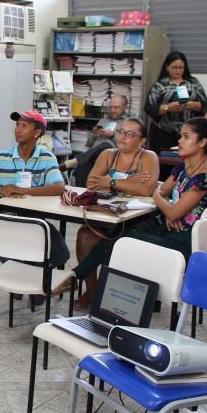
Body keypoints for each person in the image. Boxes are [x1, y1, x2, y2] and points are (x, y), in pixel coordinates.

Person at [60, 118, 207, 302]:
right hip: (166, 228)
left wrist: (164, 203)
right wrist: (162, 201)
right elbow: (162, 191)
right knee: (117, 233)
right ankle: (92, 287)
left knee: (121, 239)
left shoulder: (206, 176)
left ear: (202, 142)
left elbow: (162, 200)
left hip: (182, 240)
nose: (179, 141)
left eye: (186, 137)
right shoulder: (184, 166)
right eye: (181, 136)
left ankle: (77, 279)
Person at [71, 118, 159, 306]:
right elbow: (91, 183)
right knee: (84, 235)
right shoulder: (108, 154)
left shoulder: (148, 157)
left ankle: (116, 293)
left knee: (123, 241)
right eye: (121, 131)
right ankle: (92, 291)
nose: (123, 137)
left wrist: (110, 181)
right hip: (106, 214)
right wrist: (132, 181)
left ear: (142, 141)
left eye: (130, 134)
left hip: (137, 219)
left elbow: (145, 190)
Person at [0, 109, 70, 270]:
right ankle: (29, 278)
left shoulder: (46, 157)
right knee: (31, 240)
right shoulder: (1, 157)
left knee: (54, 248)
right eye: (17, 125)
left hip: (35, 220)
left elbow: (58, 187)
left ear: (37, 132)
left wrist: (23, 190)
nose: (17, 129)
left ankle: (31, 277)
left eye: (24, 125)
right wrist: (0, 190)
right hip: (7, 220)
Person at [145, 51, 207, 169]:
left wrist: (194, 104)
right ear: (167, 67)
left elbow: (205, 105)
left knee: (186, 166)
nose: (178, 70)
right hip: (164, 133)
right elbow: (149, 108)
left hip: (188, 134)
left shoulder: (193, 83)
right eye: (174, 67)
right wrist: (168, 107)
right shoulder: (160, 85)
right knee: (165, 166)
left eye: (181, 67)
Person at [60, 94, 130, 187]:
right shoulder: (104, 120)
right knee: (83, 166)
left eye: (116, 107)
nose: (113, 110)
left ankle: (73, 161)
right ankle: (83, 195)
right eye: (111, 107)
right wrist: (94, 136)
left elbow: (129, 143)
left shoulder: (129, 122)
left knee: (105, 145)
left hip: (113, 157)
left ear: (125, 107)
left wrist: (112, 135)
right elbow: (89, 143)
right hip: (94, 155)